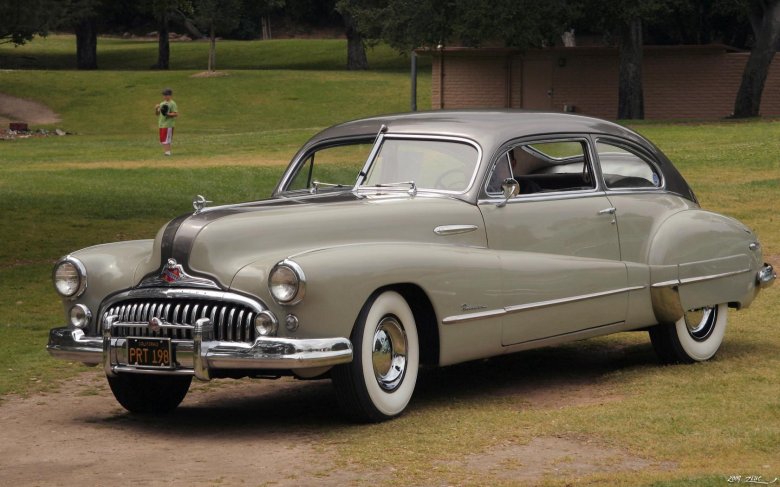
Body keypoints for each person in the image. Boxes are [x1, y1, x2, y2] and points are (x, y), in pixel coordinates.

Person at [155, 88, 178, 156]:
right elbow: (157, 114)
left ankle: (168, 152)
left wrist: (168, 114)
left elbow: (176, 114)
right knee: (162, 139)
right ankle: (166, 151)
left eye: (166, 95)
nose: (165, 96)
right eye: (164, 95)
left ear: (170, 95)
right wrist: (156, 109)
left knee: (166, 139)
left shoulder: (172, 103)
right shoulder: (162, 103)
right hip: (161, 124)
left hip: (168, 124)